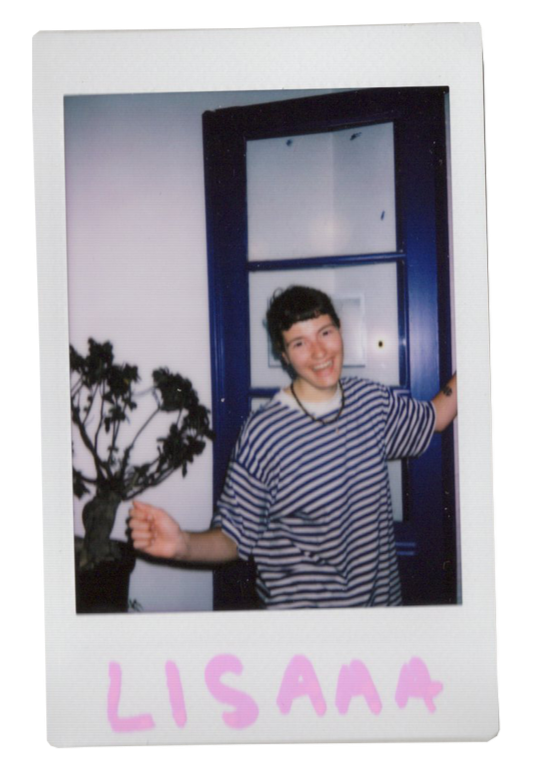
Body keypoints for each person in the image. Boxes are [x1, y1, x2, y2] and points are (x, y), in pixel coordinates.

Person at [128, 286, 457, 609]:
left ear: (340, 331)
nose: (319, 352)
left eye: (325, 332)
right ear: (284, 356)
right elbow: (233, 536)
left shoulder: (371, 402)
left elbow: (436, 416)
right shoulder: (264, 433)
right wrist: (183, 544)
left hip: (379, 618)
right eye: (299, 343)